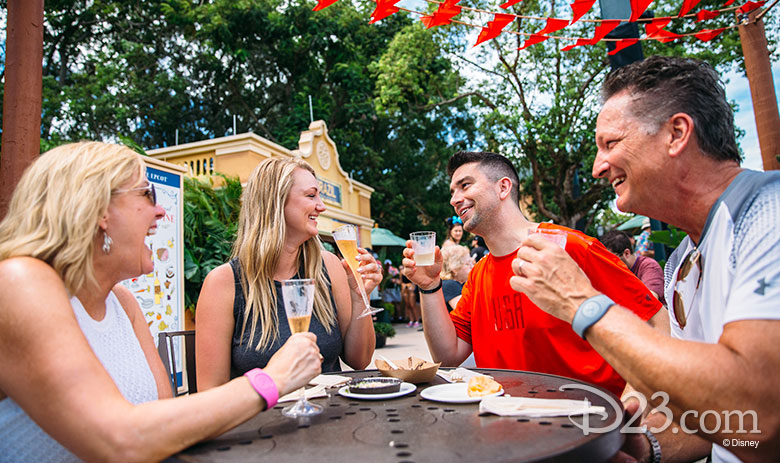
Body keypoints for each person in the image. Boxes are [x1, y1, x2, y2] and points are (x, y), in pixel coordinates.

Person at [510, 56, 780, 463]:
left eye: (611, 144)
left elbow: (762, 420)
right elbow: (721, 424)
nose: (599, 167)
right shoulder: (680, 262)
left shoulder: (769, 211)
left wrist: (580, 303)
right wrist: (645, 449)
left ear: (676, 133)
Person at [0, 142, 322, 462]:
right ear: (98, 210)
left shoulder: (124, 304)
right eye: (146, 194)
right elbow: (120, 440)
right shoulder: (19, 281)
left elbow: (167, 421)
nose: (161, 211)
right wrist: (272, 380)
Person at [402, 151, 667, 396]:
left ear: (503, 187)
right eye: (452, 191)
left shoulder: (568, 247)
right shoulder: (479, 274)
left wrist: (635, 404)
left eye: (465, 185)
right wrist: (429, 286)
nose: (454, 199)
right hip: (508, 428)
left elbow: (656, 320)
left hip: (585, 426)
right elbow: (448, 356)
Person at [196, 157, 379, 389]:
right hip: (265, 422)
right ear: (276, 202)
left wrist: (358, 294)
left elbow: (359, 361)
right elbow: (210, 392)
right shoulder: (224, 283)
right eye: (311, 196)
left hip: (333, 417)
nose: (321, 206)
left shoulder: (330, 267)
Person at [600, 229, 665, 305]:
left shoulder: (649, 266)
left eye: (612, 260)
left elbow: (650, 300)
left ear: (626, 253)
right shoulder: (618, 272)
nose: (609, 265)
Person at [440, 245, 474, 311]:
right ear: (454, 268)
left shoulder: (460, 283)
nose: (472, 266)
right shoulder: (450, 285)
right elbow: (466, 312)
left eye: (471, 262)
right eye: (467, 264)